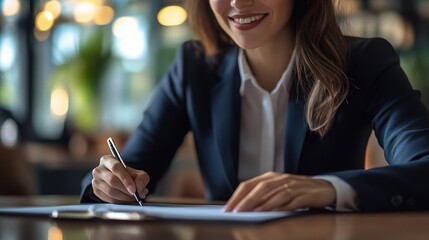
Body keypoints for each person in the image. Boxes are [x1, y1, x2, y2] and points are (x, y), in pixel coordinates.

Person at [81, 0, 429, 212]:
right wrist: (109, 184)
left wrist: (327, 189)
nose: (238, 2)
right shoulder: (194, 68)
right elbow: (127, 172)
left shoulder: (364, 62)